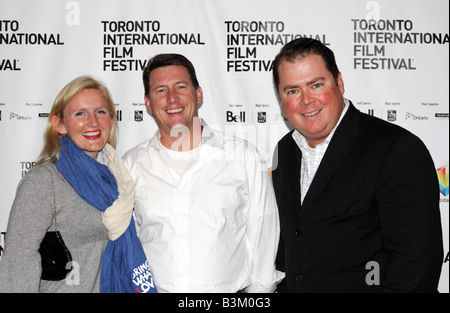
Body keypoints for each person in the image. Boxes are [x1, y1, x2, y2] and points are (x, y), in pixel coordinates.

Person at [271, 38, 443, 292]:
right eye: (292, 90)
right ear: (281, 99)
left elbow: (416, 266)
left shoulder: (396, 149)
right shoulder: (284, 151)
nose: (306, 100)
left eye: (316, 85)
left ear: (339, 83)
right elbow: (291, 249)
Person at [122, 53, 284, 292]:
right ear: (147, 103)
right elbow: (127, 246)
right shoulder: (131, 165)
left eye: (180, 86)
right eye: (161, 90)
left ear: (198, 94)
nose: (172, 98)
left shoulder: (243, 156)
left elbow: (264, 239)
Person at [0, 76, 156, 293]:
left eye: (100, 112)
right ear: (60, 124)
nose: (93, 122)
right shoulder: (44, 180)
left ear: (112, 118)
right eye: (80, 113)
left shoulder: (117, 178)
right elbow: (18, 259)